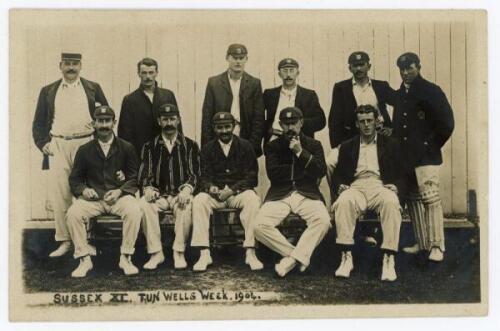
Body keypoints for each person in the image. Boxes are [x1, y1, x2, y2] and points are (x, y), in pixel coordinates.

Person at [32, 52, 109, 258]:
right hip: (59, 143)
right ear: (60, 65)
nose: (71, 68)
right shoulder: (48, 91)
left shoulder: (93, 88)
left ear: (81, 65)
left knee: (89, 190)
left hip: (86, 143)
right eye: (67, 64)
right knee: (61, 194)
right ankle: (65, 241)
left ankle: (88, 240)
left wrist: (101, 143)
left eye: (75, 64)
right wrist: (43, 144)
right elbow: (38, 123)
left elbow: (105, 116)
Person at [254, 107, 331, 277]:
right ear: (280, 124)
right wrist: (304, 170)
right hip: (280, 194)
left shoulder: (313, 144)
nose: (290, 128)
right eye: (286, 124)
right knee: (258, 226)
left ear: (301, 123)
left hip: (307, 193)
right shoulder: (273, 146)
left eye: (294, 123)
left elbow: (320, 171)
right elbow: (274, 174)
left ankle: (290, 261)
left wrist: (300, 152)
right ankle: (298, 257)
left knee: (324, 220)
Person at [66, 106, 142, 277]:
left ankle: (126, 257)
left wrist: (120, 191)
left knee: (134, 210)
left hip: (118, 198)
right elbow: (74, 179)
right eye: (100, 121)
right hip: (94, 200)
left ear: (113, 123)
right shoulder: (84, 150)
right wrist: (84, 190)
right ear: (94, 124)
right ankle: (84, 259)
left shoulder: (126, 147)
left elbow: (135, 177)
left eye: (107, 121)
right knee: (73, 213)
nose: (104, 125)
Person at [392, 52, 454, 262]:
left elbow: (446, 123)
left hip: (426, 156)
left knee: (430, 198)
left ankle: (437, 246)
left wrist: (430, 145)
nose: (405, 72)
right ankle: (422, 242)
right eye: (402, 69)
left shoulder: (431, 90)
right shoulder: (401, 94)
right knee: (414, 200)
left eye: (410, 68)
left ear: (418, 66)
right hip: (407, 157)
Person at [330, 105, 403, 281]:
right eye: (362, 121)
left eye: (370, 120)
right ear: (357, 124)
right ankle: (346, 257)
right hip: (356, 186)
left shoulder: (391, 143)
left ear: (377, 121)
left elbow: (403, 173)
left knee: (392, 203)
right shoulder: (348, 146)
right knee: (343, 202)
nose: (367, 125)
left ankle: (389, 258)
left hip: (380, 185)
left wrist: (397, 186)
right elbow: (338, 174)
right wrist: (340, 185)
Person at [191, 112, 263, 272]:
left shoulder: (245, 146)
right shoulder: (208, 149)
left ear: (234, 127)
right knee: (198, 201)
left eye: (227, 127)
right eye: (219, 127)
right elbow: (202, 175)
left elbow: (252, 176)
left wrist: (232, 190)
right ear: (214, 128)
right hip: (216, 196)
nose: (224, 131)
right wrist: (210, 187)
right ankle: (204, 252)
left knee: (252, 199)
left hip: (237, 193)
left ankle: (250, 251)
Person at [138, 104, 200, 270]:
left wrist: (187, 189)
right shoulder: (150, 146)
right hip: (159, 195)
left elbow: (195, 174)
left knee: (186, 205)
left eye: (172, 119)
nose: (169, 123)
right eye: (165, 119)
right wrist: (148, 188)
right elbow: (145, 173)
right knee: (144, 204)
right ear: (159, 121)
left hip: (180, 194)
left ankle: (178, 252)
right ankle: (156, 252)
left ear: (178, 120)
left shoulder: (190, 145)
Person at [200, 44, 265, 157]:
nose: (238, 62)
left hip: (244, 136)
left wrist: (253, 145)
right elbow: (207, 116)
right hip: (221, 134)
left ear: (246, 59)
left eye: (241, 58)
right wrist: (207, 146)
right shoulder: (214, 83)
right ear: (227, 58)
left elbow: (258, 118)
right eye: (234, 58)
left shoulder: (254, 83)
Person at [328, 51, 395, 149]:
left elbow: (401, 103)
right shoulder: (341, 88)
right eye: (355, 66)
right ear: (350, 68)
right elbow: (334, 120)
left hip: (381, 138)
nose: (358, 69)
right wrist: (337, 146)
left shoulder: (381, 86)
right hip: (354, 140)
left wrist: (393, 128)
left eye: (362, 65)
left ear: (369, 66)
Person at [118, 57, 180, 157]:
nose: (148, 77)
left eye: (151, 72)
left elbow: (177, 124)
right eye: (144, 73)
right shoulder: (130, 100)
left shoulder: (168, 95)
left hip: (165, 153)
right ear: (138, 74)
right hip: (141, 154)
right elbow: (125, 133)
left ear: (156, 73)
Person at [263, 58, 326, 147]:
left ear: (297, 73)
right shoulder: (269, 94)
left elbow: (321, 121)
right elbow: (257, 119)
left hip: (300, 143)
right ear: (279, 74)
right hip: (275, 141)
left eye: (291, 71)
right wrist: (269, 130)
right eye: (285, 71)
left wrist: (298, 126)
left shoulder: (309, 95)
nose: (288, 75)